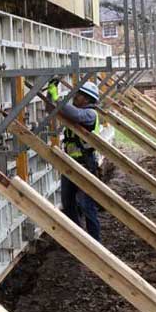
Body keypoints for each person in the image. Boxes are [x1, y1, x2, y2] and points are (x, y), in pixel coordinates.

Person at [47, 78, 102, 242]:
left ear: (86, 98)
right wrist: (52, 95)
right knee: (68, 202)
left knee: (87, 205)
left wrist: (57, 98)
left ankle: (94, 243)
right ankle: (78, 238)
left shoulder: (90, 114)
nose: (75, 97)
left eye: (78, 95)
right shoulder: (77, 110)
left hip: (86, 164)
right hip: (70, 163)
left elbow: (75, 115)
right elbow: (52, 109)